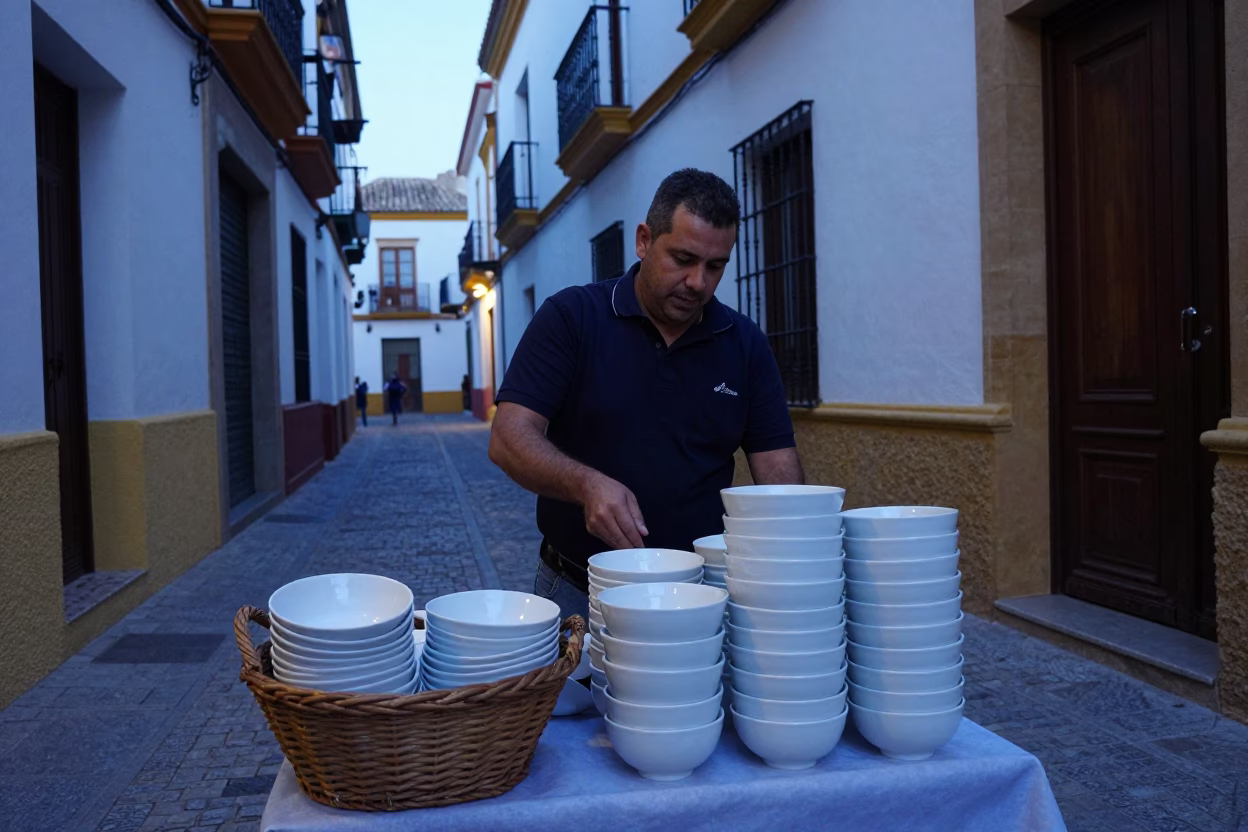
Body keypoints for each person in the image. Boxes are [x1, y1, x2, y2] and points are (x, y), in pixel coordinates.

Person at [488, 168, 804, 623]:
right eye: (683, 258)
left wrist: (800, 552)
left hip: (701, 593)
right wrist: (586, 484)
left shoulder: (745, 343)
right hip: (579, 591)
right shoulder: (572, 318)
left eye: (715, 266)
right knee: (567, 698)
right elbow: (509, 435)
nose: (698, 281)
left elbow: (777, 469)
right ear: (643, 240)